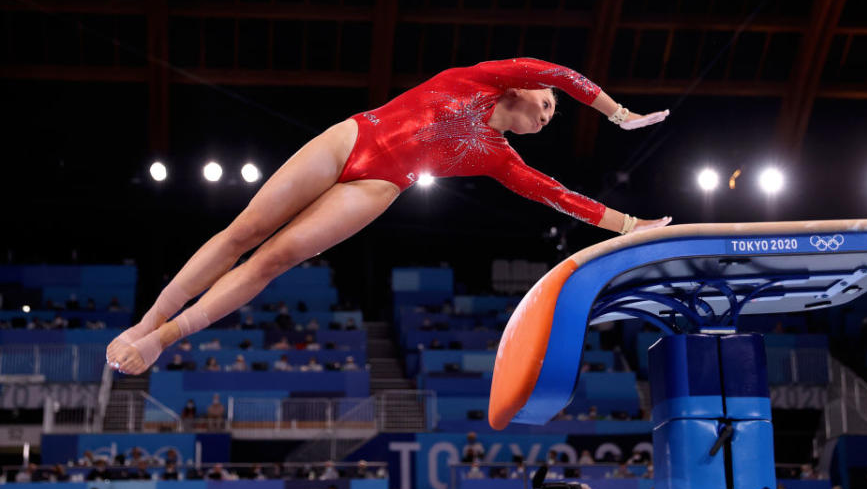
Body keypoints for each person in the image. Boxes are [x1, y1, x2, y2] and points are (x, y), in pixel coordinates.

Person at [105, 58, 672, 374]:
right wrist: (618, 114)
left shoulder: (499, 158)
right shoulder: (483, 78)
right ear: (523, 89)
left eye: (555, 113)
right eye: (547, 104)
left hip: (380, 184)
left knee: (272, 259)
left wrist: (628, 225)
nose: (550, 114)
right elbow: (560, 72)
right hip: (354, 135)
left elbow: (556, 194)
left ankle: (166, 338)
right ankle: (147, 320)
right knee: (243, 232)